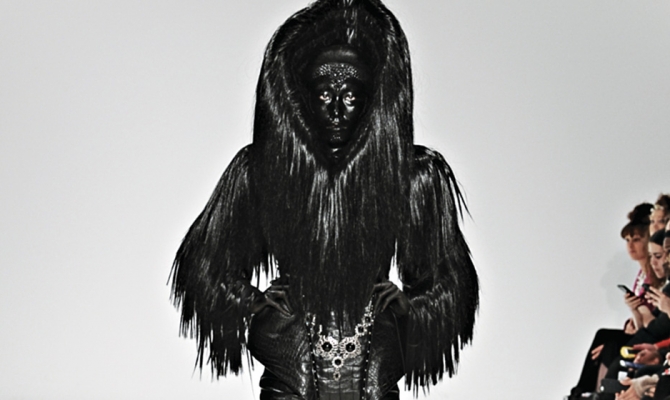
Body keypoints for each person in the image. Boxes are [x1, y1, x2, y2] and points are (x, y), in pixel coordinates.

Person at [169, 1, 479, 399]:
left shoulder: (412, 177)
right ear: (303, 96)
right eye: (324, 93)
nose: (336, 108)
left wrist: (411, 308)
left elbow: (451, 280)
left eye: (350, 96)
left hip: (373, 374)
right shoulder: (263, 171)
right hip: (291, 375)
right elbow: (204, 263)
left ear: (370, 99)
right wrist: (252, 304)